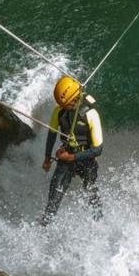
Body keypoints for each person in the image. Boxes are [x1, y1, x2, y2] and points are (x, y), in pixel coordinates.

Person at [41, 76, 103, 226]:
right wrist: (47, 157)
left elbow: (98, 149)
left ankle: (99, 221)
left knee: (90, 191)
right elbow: (52, 134)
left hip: (86, 159)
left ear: (75, 99)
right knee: (55, 191)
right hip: (66, 155)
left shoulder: (91, 114)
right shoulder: (59, 111)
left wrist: (72, 157)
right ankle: (45, 224)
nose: (64, 107)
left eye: (66, 104)